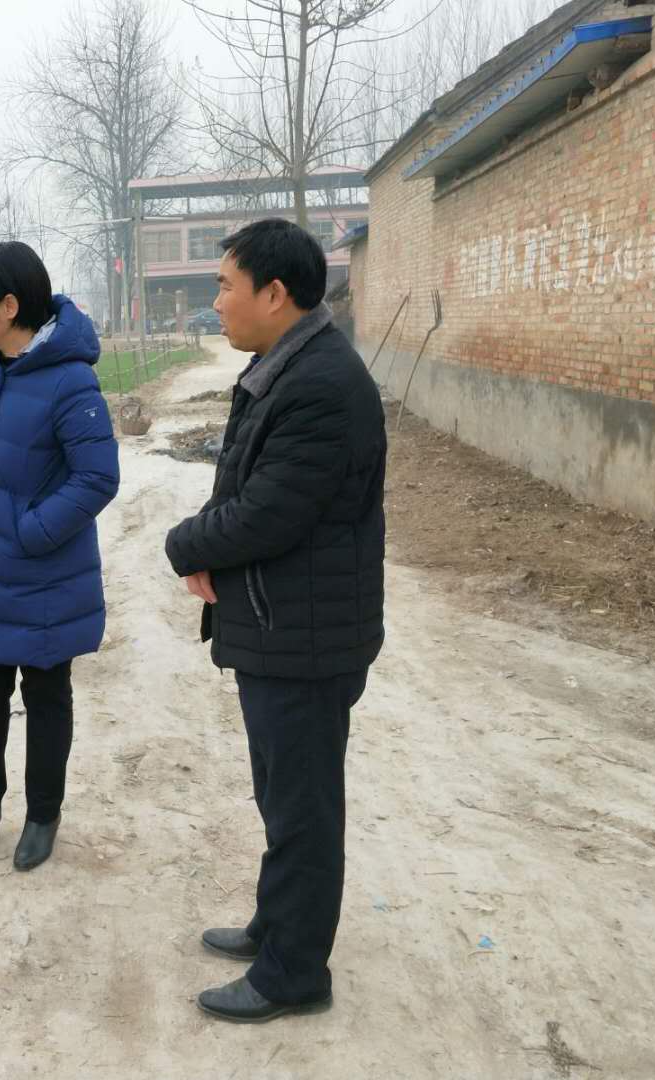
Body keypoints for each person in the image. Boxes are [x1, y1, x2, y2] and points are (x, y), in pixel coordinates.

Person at [164, 219, 386, 1022]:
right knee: (282, 797)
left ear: (275, 293)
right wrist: (211, 545)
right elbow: (249, 491)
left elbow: (268, 512)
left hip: (305, 637)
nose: (217, 301)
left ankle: (294, 973)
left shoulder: (320, 383)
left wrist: (185, 543)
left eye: (226, 285)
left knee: (303, 809)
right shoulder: (288, 365)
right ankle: (277, 925)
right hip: (283, 625)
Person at [0, 241, 119, 872]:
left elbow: (97, 477)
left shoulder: (70, 380)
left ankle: (43, 815)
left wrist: (33, 530)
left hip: (42, 573)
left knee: (45, 697)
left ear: (9, 306)